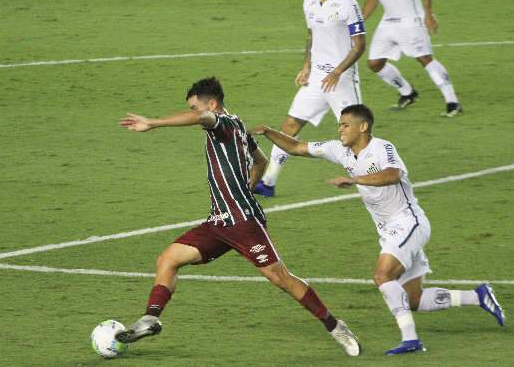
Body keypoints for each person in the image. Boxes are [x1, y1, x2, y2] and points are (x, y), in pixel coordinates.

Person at [115, 77, 361, 357]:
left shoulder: (224, 123)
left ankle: (335, 326)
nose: (195, 113)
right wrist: (246, 186)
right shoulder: (240, 126)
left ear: (212, 104)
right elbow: (261, 161)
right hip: (218, 222)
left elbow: (203, 120)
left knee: (281, 278)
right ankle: (151, 318)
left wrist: (153, 122)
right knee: (168, 259)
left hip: (244, 223)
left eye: (196, 107)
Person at [252, 104, 505, 355]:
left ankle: (411, 340)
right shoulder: (339, 150)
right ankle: (478, 296)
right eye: (339, 124)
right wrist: (268, 132)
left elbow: (394, 174)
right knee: (413, 299)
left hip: (409, 222)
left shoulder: (382, 148)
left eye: (345, 125)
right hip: (390, 231)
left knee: (382, 276)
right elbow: (296, 147)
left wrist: (354, 179)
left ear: (362, 127)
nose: (340, 129)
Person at [253, 0, 366, 198]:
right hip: (316, 78)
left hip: (342, 80)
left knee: (354, 133)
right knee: (289, 125)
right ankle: (268, 182)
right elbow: (311, 36)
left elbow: (359, 46)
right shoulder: (309, 2)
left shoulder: (347, 4)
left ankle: (370, 179)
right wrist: (306, 66)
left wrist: (337, 71)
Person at [363, 0, 462, 117]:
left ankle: (452, 102)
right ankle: (408, 92)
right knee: (375, 63)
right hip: (388, 20)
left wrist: (428, 13)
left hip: (410, 19)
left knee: (424, 58)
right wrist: (359, 21)